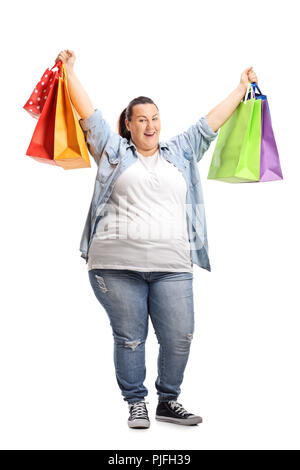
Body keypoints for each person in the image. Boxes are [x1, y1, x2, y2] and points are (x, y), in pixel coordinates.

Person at [55, 50, 258, 429]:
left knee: (180, 337)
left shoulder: (180, 151)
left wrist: (240, 88)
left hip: (172, 266)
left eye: (155, 118)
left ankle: (168, 400)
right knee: (131, 338)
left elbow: (208, 123)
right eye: (142, 120)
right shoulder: (113, 150)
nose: (150, 125)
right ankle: (136, 403)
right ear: (128, 126)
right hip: (116, 266)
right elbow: (89, 116)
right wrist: (68, 72)